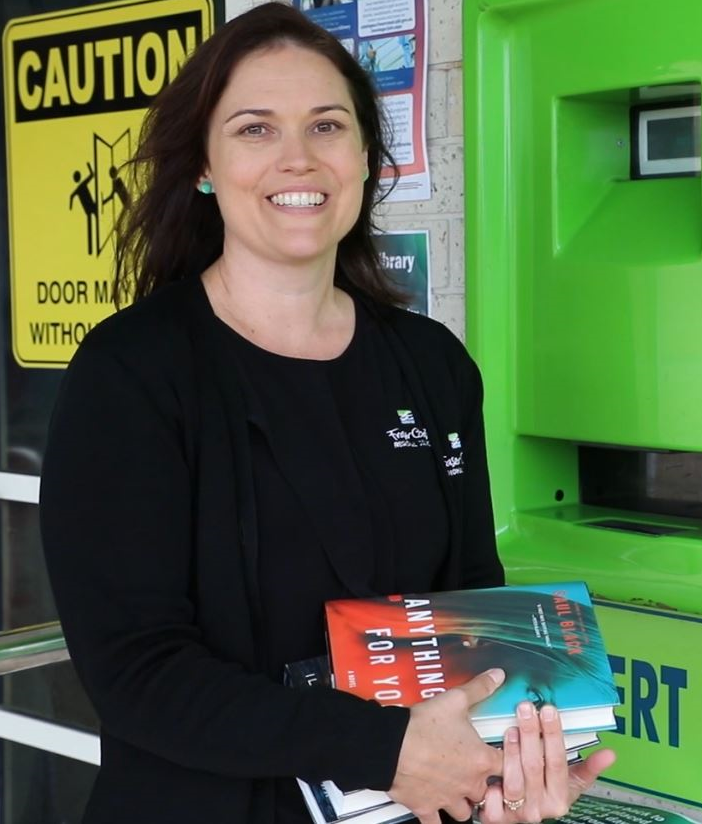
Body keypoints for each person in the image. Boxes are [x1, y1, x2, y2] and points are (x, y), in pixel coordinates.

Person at [38, 5, 614, 824]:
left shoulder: (431, 363)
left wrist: (498, 773)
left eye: (327, 125)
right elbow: (137, 674)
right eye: (254, 130)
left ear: (368, 158)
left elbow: (469, 614)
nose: (297, 158)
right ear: (203, 164)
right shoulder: (132, 372)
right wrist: (382, 750)